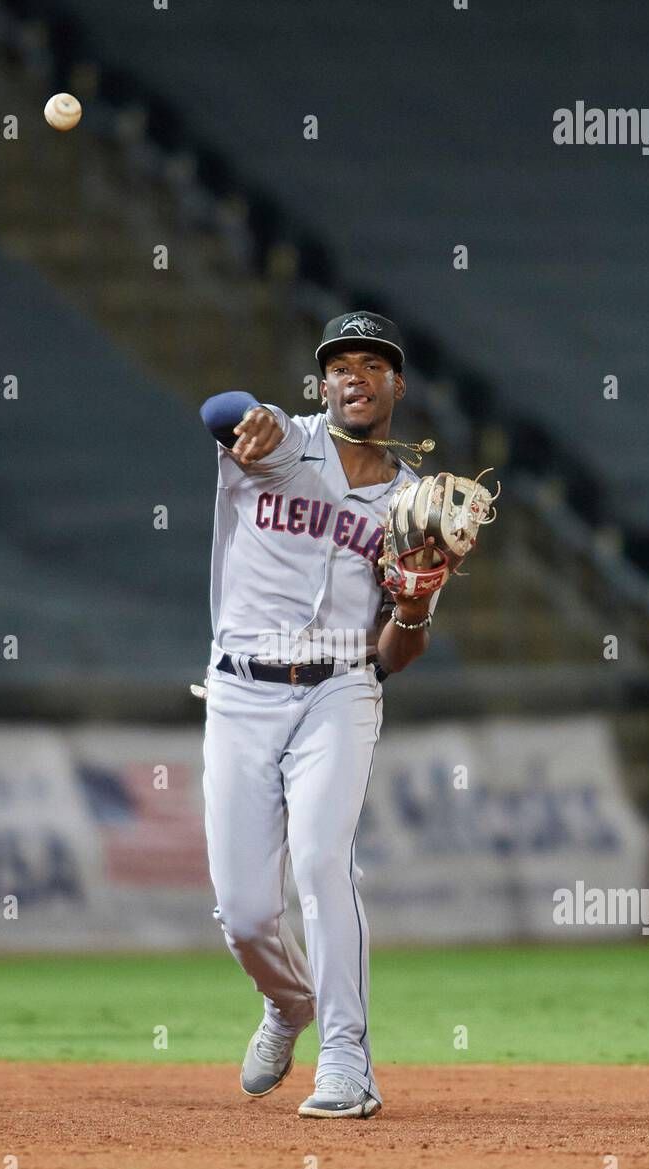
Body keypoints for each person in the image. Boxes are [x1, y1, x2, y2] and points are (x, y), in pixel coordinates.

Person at [199, 312, 450, 1118]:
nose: (355, 376)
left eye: (372, 364)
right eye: (340, 364)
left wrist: (413, 603)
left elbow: (393, 655)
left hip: (341, 685)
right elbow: (219, 408)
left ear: (395, 386)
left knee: (320, 861)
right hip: (239, 690)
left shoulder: (415, 504)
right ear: (322, 383)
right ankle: (288, 1004)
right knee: (242, 914)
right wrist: (247, 411)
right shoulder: (275, 441)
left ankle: (346, 1062)